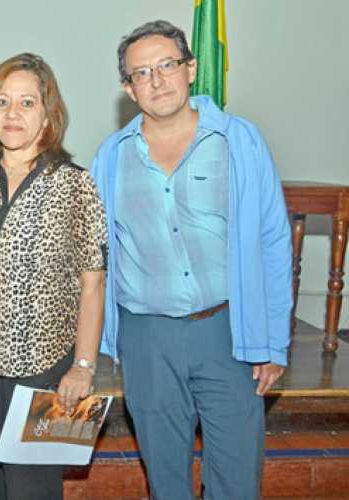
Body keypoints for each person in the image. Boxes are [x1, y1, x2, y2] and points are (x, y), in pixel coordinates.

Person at [90, 20, 292, 500]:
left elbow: (272, 239)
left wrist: (273, 342)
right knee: (166, 480)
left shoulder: (239, 142)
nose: (157, 81)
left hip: (228, 332)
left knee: (238, 479)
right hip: (146, 337)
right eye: (142, 73)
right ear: (128, 87)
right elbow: (92, 255)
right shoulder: (111, 157)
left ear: (191, 68)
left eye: (167, 65)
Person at [0, 53, 108, 500]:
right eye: (2, 102)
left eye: (27, 103)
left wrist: (84, 366)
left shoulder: (75, 184)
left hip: (46, 362)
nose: (12, 114)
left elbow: (93, 282)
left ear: (48, 114)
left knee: (31, 487)